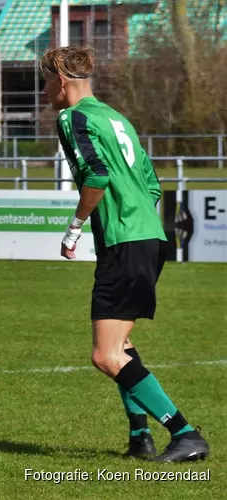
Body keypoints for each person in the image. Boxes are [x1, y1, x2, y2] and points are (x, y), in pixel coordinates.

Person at [42, 45, 210, 463]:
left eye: (46, 82)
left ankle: (184, 432)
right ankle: (139, 437)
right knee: (122, 344)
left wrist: (75, 227)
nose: (46, 92)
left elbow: (95, 175)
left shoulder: (71, 116)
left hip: (125, 241)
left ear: (61, 82)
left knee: (105, 354)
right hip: (150, 236)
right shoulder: (116, 117)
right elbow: (152, 183)